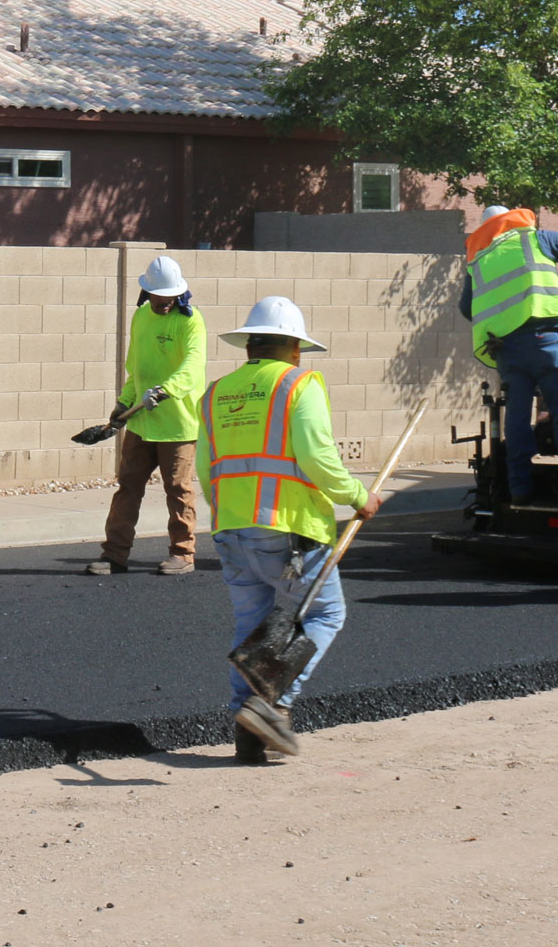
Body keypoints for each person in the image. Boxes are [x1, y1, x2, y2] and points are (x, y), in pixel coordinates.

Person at [197, 296, 381, 762]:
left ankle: (247, 729)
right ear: (295, 348)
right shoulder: (299, 384)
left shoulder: (217, 393)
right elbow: (318, 458)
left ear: (250, 346)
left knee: (251, 626)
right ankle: (271, 702)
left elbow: (205, 469)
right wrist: (359, 497)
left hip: (231, 526)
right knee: (324, 614)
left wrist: (231, 515)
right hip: (289, 528)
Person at [458, 205, 558, 507]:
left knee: (517, 419)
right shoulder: (533, 238)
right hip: (547, 343)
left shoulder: (477, 261)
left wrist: (504, 321)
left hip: (507, 350)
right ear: (510, 219)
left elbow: (467, 308)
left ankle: (520, 488)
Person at [87, 256, 208, 576]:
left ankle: (183, 553)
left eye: (171, 296)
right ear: (148, 293)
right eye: (160, 296)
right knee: (128, 487)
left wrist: (165, 390)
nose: (165, 302)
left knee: (178, 490)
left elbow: (193, 367)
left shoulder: (191, 320)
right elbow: (136, 368)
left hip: (178, 424)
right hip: (142, 423)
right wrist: (124, 404)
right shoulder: (141, 317)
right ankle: (115, 555)